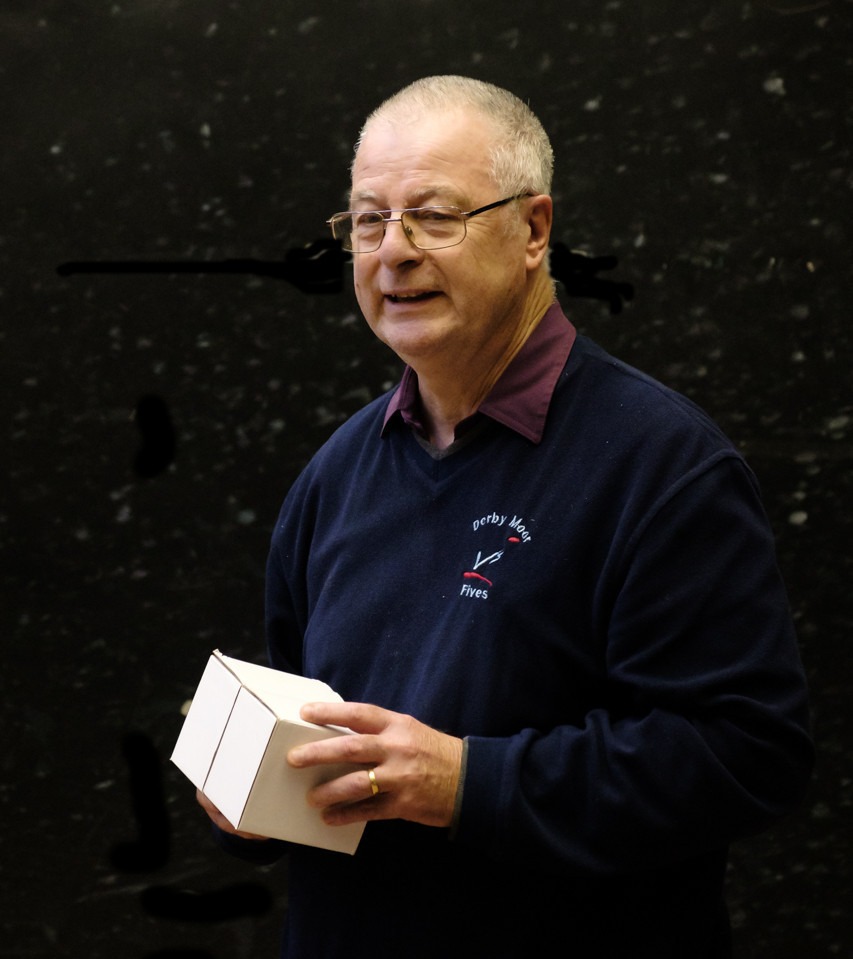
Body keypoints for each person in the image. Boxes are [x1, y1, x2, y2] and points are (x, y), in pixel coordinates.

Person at [196, 75, 813, 958]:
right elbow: (308, 736)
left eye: (433, 215)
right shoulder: (335, 474)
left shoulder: (661, 464)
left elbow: (745, 755)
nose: (393, 251)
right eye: (368, 221)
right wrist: (250, 797)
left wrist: (466, 781)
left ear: (533, 230)